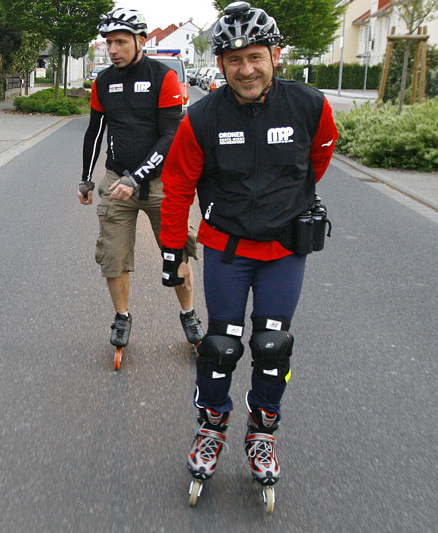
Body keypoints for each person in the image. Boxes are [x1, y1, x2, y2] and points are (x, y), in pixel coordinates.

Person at [159, 1, 338, 510]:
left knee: (273, 345)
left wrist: (289, 202)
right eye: (234, 59)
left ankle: (262, 432)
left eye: (255, 56)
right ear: (220, 63)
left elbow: (319, 157)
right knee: (219, 346)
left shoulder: (310, 106)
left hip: (283, 250)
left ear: (275, 56)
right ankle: (211, 426)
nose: (246, 69)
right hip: (228, 249)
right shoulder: (202, 118)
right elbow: (178, 186)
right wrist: (173, 251)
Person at [79, 7, 203, 353]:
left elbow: (170, 136)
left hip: (160, 183)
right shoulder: (103, 81)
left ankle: (189, 313)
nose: (113, 49)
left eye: (120, 41)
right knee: (113, 255)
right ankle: (122, 317)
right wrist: (86, 179)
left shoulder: (163, 77)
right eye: (109, 42)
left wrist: (138, 177)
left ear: (141, 41)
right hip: (116, 180)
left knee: (176, 252)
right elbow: (95, 132)